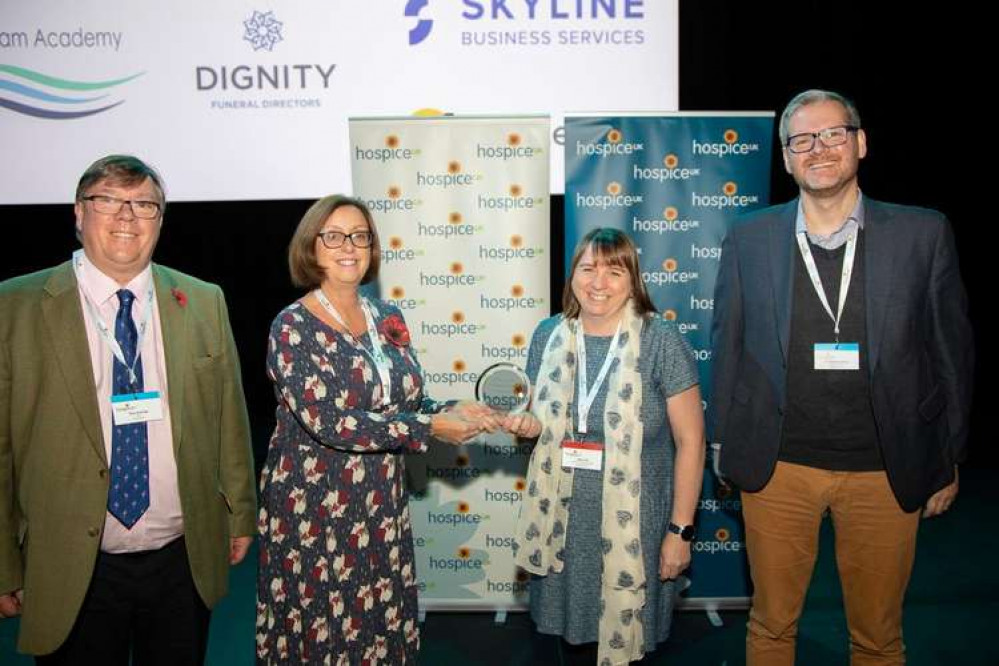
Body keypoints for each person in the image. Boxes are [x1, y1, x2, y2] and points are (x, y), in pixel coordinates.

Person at [709, 89, 974, 665]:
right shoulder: (748, 237)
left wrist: (947, 454)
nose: (818, 148)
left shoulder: (922, 234)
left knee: (878, 637)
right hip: (778, 467)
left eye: (832, 134)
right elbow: (726, 346)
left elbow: (951, 352)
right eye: (801, 140)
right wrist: (723, 443)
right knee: (771, 626)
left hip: (886, 467)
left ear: (860, 141)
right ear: (785, 158)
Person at [0, 154, 257, 664]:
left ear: (161, 219)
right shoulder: (16, 306)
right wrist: (4, 563)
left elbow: (230, 415)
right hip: (70, 561)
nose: (127, 216)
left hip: (181, 558)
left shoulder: (203, 300)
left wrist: (241, 513)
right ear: (78, 213)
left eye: (144, 204)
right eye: (109, 200)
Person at [255, 195, 487, 664]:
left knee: (378, 631)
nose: (349, 246)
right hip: (314, 513)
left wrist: (454, 409)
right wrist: (429, 427)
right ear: (312, 247)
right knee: (322, 636)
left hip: (379, 507)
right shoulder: (291, 327)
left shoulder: (388, 318)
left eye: (360, 236)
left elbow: (407, 403)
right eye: (335, 236)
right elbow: (332, 422)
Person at [508, 227, 705, 666]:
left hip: (636, 526)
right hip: (562, 522)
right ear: (572, 275)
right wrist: (526, 426)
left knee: (629, 644)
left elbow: (691, 442)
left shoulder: (660, 340)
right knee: (567, 642)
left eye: (614, 271)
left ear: (633, 279)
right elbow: (542, 421)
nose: (599, 282)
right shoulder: (548, 335)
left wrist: (680, 531)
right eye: (588, 268)